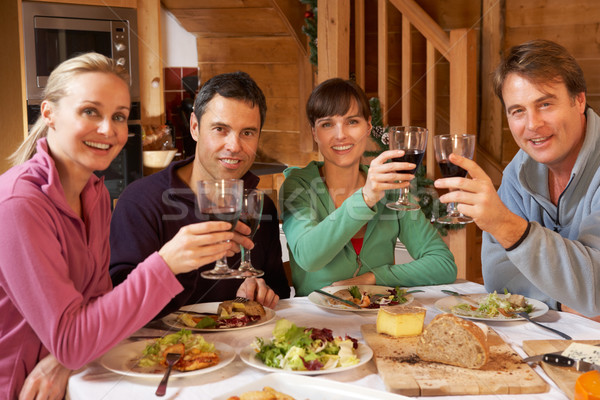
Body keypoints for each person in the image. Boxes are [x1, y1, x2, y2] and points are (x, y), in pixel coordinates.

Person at [0, 53, 252, 399]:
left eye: (118, 116)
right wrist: (166, 264)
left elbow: (99, 310)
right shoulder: (19, 204)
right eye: (90, 111)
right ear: (49, 114)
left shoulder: (95, 195)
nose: (108, 130)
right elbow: (73, 340)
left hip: (76, 380)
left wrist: (63, 359)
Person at [433, 39, 600, 319]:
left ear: (579, 100)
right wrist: (563, 303)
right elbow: (499, 280)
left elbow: (596, 290)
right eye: (518, 111)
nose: (532, 124)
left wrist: (508, 227)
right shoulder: (518, 171)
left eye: (545, 104)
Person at [109, 71, 290, 317]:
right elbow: (117, 303)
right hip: (159, 350)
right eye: (220, 129)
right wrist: (172, 264)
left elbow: (279, 292)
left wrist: (258, 292)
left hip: (243, 352)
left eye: (247, 133)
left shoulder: (259, 207)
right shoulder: (140, 201)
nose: (234, 146)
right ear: (195, 127)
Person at [280, 78, 457, 296]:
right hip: (316, 323)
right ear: (315, 133)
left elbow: (443, 264)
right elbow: (309, 257)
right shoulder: (299, 185)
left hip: (379, 319)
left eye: (352, 122)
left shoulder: (392, 187)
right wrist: (365, 198)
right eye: (327, 124)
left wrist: (374, 277)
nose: (340, 134)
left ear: (368, 127)